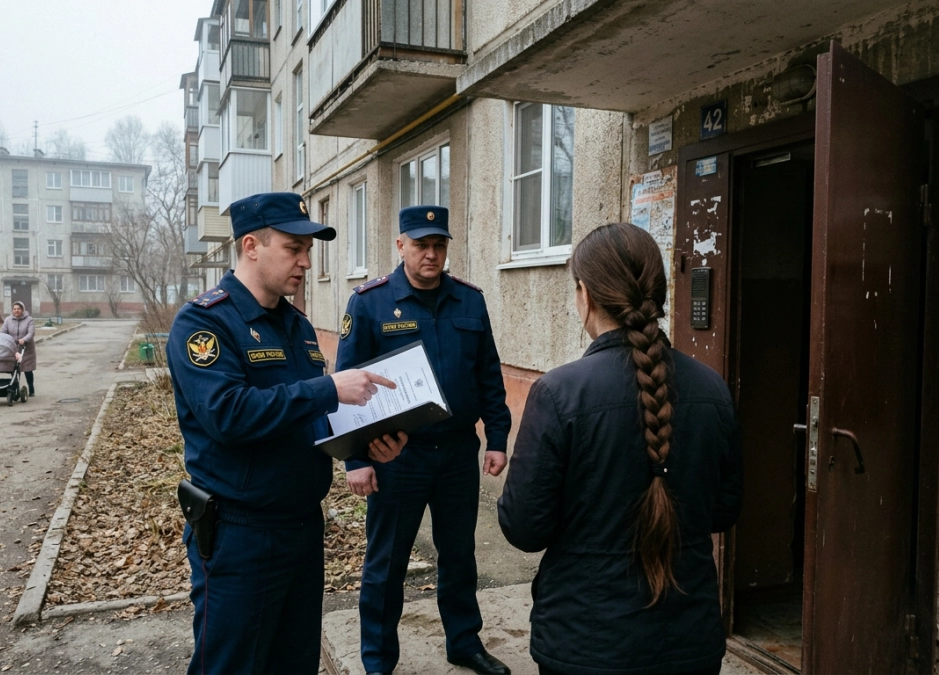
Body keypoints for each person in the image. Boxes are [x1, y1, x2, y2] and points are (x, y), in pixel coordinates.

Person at [166, 192, 409, 675]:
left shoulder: (296, 325)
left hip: (301, 526)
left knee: (295, 662)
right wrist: (327, 390)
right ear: (252, 246)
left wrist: (365, 444)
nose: (304, 261)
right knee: (232, 665)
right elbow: (228, 415)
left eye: (308, 251)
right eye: (293, 249)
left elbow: (310, 420)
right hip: (241, 532)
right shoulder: (204, 323)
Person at [498, 223, 743, 675]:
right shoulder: (712, 388)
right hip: (689, 639)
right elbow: (724, 510)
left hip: (585, 641)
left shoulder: (558, 393)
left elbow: (524, 527)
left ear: (585, 296)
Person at [337, 206, 513, 675]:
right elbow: (347, 386)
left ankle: (464, 643)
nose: (431, 254)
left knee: (459, 555)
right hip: (397, 455)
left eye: (439, 245)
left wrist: (497, 437)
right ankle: (378, 659)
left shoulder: (469, 302)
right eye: (421, 245)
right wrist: (356, 460)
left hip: (457, 452)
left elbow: (489, 375)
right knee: (387, 563)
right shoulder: (370, 303)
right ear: (401, 245)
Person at [1, 301, 36, 397]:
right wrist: (5, 339)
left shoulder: (29, 320)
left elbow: (31, 333)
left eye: (18, 309)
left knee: (28, 370)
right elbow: (3, 332)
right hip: (14, 348)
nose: (16, 311)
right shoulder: (8, 320)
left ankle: (31, 388)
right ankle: (15, 387)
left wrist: (24, 339)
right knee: (15, 369)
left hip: (26, 348)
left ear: (22, 310)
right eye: (14, 309)